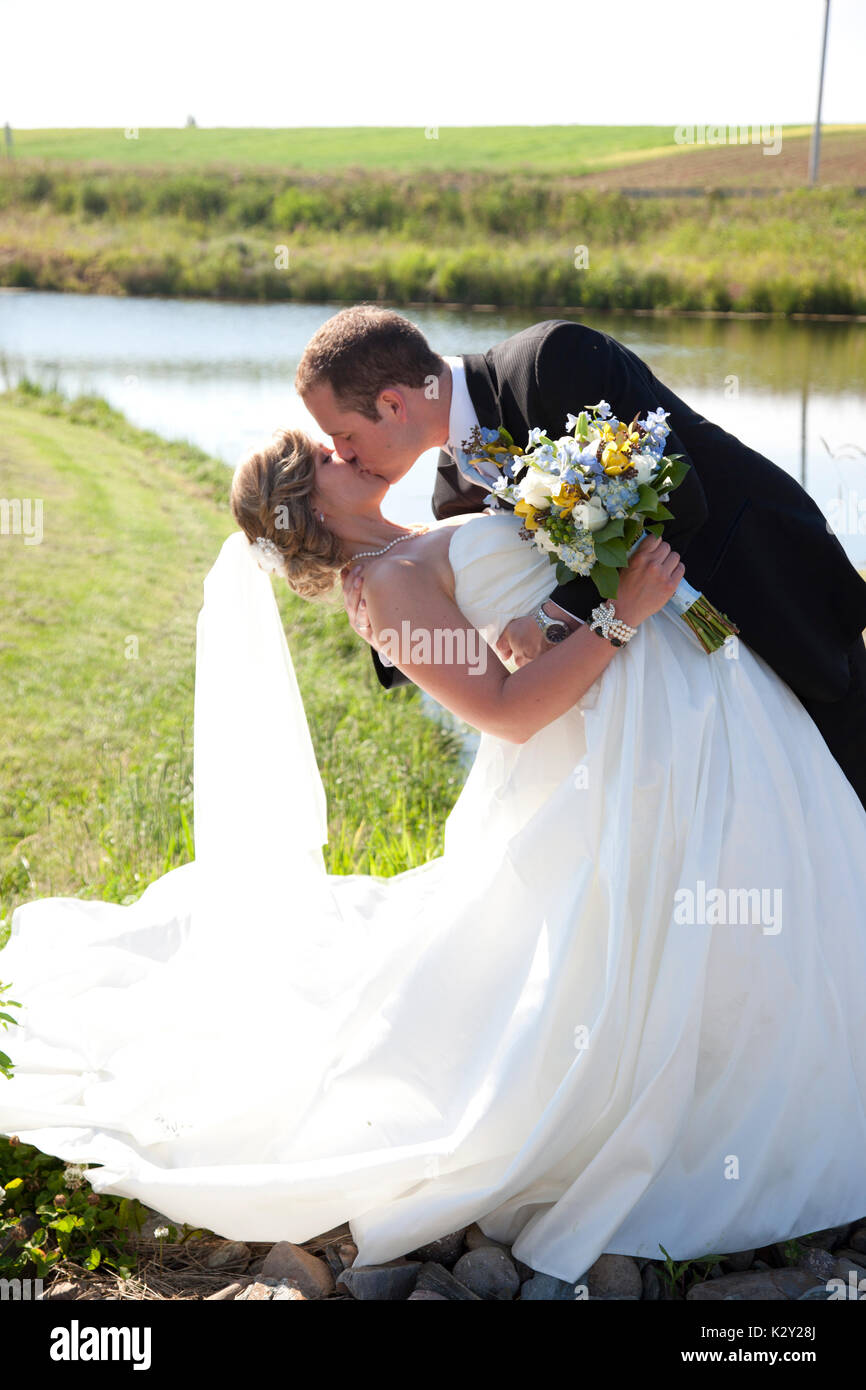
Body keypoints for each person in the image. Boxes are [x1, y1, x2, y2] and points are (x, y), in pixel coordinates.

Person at [1, 427, 865, 1287]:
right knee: (633, 941)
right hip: (599, 754)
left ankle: (745, 1097)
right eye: (330, 457)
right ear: (310, 503)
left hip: (649, 718)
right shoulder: (381, 587)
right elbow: (508, 713)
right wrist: (621, 613)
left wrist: (587, 579)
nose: (351, 453)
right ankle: (686, 1133)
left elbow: (520, 645)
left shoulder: (410, 540)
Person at [295, 306, 866, 810]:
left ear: (392, 404)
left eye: (343, 435)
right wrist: (381, 625)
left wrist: (558, 614)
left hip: (765, 586)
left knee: (845, 788)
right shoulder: (453, 490)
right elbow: (462, 606)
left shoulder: (553, 361)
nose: (343, 453)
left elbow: (677, 494)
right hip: (683, 682)